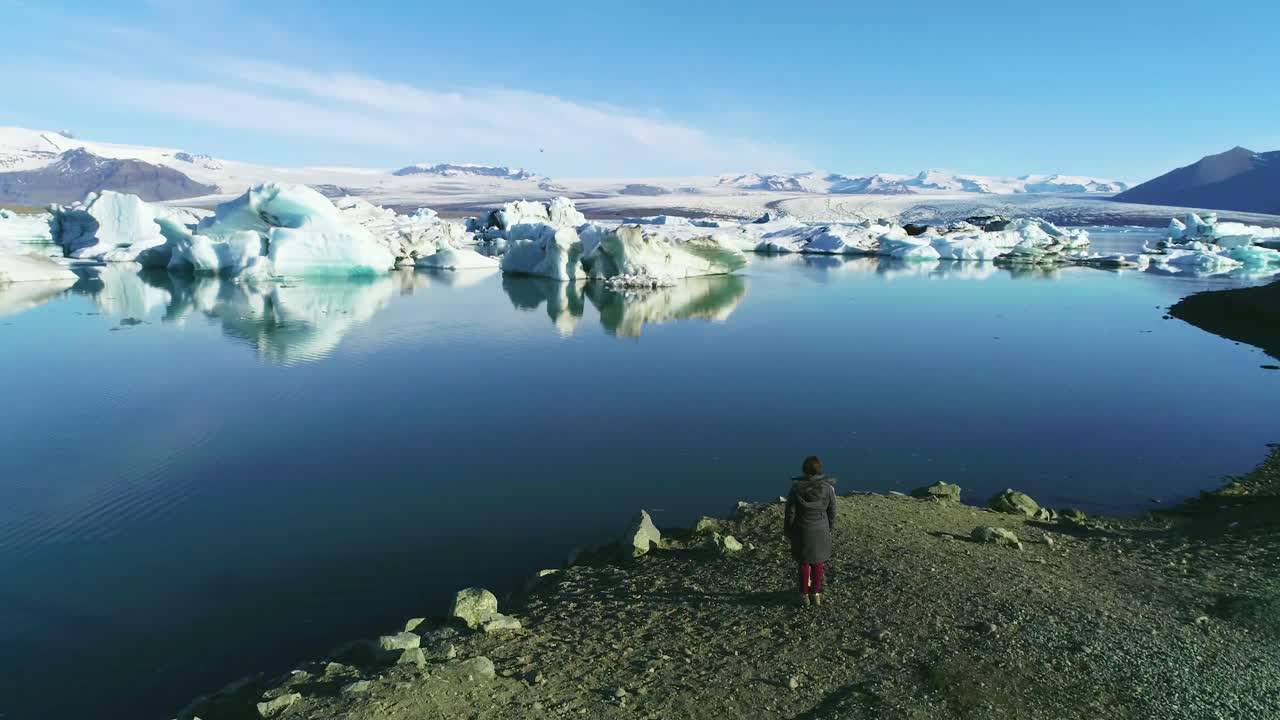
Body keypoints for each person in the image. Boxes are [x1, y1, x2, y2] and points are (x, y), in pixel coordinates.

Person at [783, 455, 836, 606]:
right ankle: (817, 594)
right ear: (820, 470)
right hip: (821, 529)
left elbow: (790, 512)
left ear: (804, 470)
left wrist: (788, 530)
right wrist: (829, 528)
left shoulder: (796, 488)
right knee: (818, 562)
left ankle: (804, 595)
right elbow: (832, 511)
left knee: (804, 562)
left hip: (802, 529)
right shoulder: (828, 488)